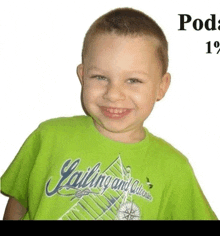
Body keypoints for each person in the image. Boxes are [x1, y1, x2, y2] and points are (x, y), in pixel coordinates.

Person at [0, 7, 217, 220]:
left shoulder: (174, 168)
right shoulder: (48, 137)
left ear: (161, 86)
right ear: (82, 76)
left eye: (133, 80)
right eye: (100, 77)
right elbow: (19, 203)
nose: (113, 94)